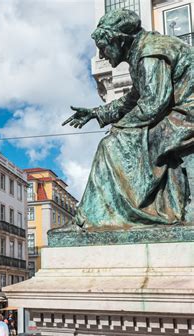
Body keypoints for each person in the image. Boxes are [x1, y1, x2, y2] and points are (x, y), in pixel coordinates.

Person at [62, 9, 194, 229]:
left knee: (111, 145)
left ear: (119, 41)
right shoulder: (143, 51)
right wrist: (97, 113)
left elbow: (153, 103)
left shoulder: (150, 52)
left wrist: (121, 128)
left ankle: (103, 218)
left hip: (186, 115)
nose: (102, 55)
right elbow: (134, 98)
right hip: (179, 112)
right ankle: (103, 216)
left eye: (103, 48)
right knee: (119, 141)